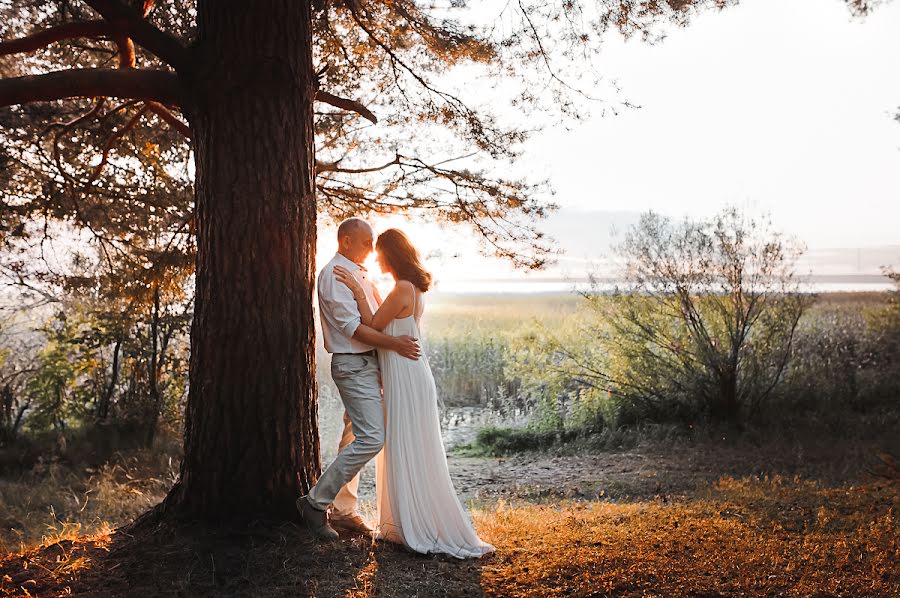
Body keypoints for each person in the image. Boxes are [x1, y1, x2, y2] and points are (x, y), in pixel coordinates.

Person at [334, 228, 495, 559]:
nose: (376, 258)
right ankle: (403, 520)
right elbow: (387, 319)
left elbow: (373, 324)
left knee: (405, 445)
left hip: (405, 377)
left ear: (391, 255)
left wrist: (355, 288)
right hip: (409, 374)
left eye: (380, 253)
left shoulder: (403, 289)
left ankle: (412, 523)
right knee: (408, 445)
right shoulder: (409, 289)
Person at [297, 218, 421, 540]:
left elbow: (379, 319)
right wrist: (396, 345)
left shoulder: (359, 274)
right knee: (371, 439)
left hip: (371, 364)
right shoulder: (333, 276)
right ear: (346, 241)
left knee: (354, 436)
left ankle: (343, 511)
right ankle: (314, 503)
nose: (372, 247)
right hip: (353, 367)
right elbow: (356, 329)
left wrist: (387, 360)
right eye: (366, 242)